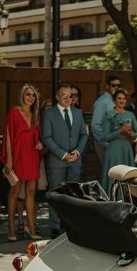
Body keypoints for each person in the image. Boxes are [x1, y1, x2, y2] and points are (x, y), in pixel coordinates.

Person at [42, 83, 88, 238]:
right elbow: (47, 138)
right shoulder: (49, 114)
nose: (69, 99)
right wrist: (63, 155)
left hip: (75, 160)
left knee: (73, 194)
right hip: (57, 161)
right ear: (57, 97)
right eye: (65, 96)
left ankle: (70, 224)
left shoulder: (78, 112)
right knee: (56, 194)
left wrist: (77, 152)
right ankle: (55, 226)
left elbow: (84, 135)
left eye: (71, 96)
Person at [2, 84, 44, 241]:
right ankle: (11, 227)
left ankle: (31, 227)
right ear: (22, 95)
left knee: (31, 193)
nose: (31, 98)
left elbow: (36, 136)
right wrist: (9, 161)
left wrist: (39, 143)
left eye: (33, 95)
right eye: (28, 94)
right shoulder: (14, 112)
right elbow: (7, 136)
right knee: (14, 192)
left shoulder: (35, 115)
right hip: (18, 157)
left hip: (32, 156)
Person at [101, 89, 137, 194]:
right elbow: (105, 137)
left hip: (126, 149)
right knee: (113, 175)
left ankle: (125, 198)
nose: (122, 101)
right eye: (119, 98)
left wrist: (131, 134)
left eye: (124, 98)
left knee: (126, 175)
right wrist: (120, 131)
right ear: (114, 100)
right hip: (113, 150)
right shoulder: (108, 114)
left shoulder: (130, 114)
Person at [91, 75, 121, 171]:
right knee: (108, 173)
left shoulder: (116, 101)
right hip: (105, 145)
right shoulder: (103, 102)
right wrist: (105, 143)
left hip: (115, 144)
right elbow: (95, 125)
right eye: (113, 85)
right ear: (107, 86)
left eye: (118, 86)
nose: (116, 88)